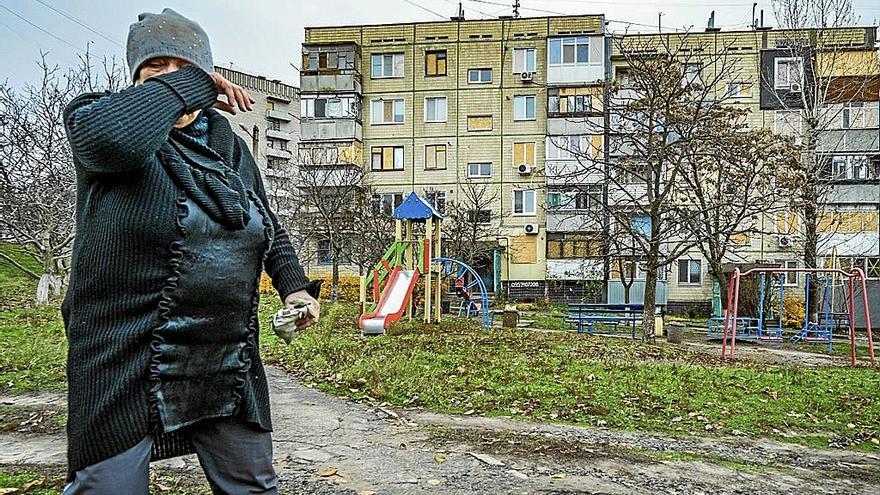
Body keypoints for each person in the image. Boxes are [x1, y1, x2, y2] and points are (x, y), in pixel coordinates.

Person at [61, 8, 320, 494]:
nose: (168, 80)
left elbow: (265, 224)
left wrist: (296, 290)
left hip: (222, 354)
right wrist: (194, 84)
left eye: (184, 67)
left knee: (253, 485)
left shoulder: (231, 149)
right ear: (135, 78)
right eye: (153, 68)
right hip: (125, 352)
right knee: (107, 487)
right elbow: (115, 137)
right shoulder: (99, 123)